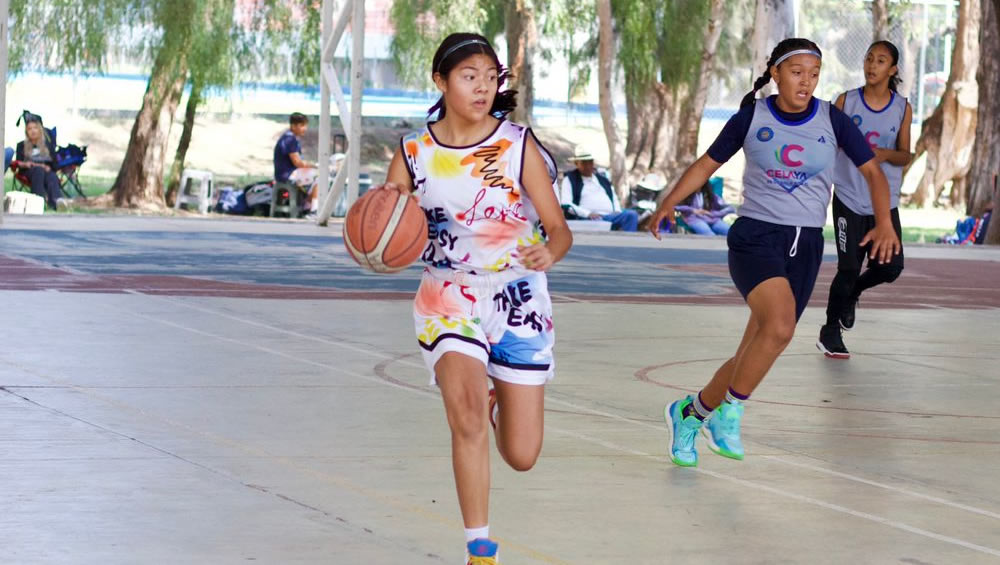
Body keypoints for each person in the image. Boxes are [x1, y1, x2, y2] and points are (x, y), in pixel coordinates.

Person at [647, 38, 900, 467]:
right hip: (756, 238)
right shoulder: (752, 117)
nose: (806, 82)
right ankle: (729, 413)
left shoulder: (833, 119)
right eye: (797, 72)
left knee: (756, 349)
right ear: (776, 73)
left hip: (806, 245)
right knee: (780, 328)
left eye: (814, 74)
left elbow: (873, 173)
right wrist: (667, 203)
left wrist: (884, 222)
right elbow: (707, 164)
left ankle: (690, 414)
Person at [378, 32, 572, 564]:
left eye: (491, 77)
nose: (483, 87)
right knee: (463, 417)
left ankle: (496, 401)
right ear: (440, 82)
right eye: (469, 77)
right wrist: (379, 242)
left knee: (522, 455)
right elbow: (388, 225)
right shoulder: (413, 153)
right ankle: (479, 549)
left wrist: (550, 252)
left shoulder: (517, 145)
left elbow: (559, 229)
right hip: (447, 295)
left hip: (517, 296)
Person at [818, 40, 913, 359]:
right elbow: (827, 144)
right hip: (848, 197)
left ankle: (854, 292)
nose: (872, 65)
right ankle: (830, 331)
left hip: (884, 203)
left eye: (881, 60)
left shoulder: (902, 108)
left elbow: (905, 155)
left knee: (891, 268)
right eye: (869, 58)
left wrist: (885, 154)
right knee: (848, 266)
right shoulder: (846, 101)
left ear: (893, 69)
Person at [559, 146, 639, 231]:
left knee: (631, 215)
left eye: (590, 162)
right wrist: (587, 214)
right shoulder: (570, 180)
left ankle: (628, 239)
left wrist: (617, 211)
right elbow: (566, 203)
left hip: (610, 216)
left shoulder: (602, 180)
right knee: (597, 223)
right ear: (576, 163)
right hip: (587, 219)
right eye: (584, 163)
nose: (588, 166)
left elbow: (613, 198)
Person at [273, 112, 318, 213]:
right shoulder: (290, 139)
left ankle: (307, 206)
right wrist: (314, 166)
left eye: (305, 125)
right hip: (287, 175)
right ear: (293, 126)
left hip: (285, 174)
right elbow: (297, 163)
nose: (305, 128)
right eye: (302, 125)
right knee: (320, 177)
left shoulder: (288, 137)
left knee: (314, 178)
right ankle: (313, 210)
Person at [15, 113, 61, 210]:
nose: (32, 131)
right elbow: (17, 163)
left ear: (40, 130)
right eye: (29, 129)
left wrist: (49, 167)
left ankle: (57, 203)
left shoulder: (48, 145)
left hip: (46, 171)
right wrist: (25, 164)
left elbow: (55, 164)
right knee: (38, 171)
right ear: (26, 132)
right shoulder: (21, 145)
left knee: (52, 176)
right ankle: (37, 203)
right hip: (29, 171)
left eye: (35, 128)